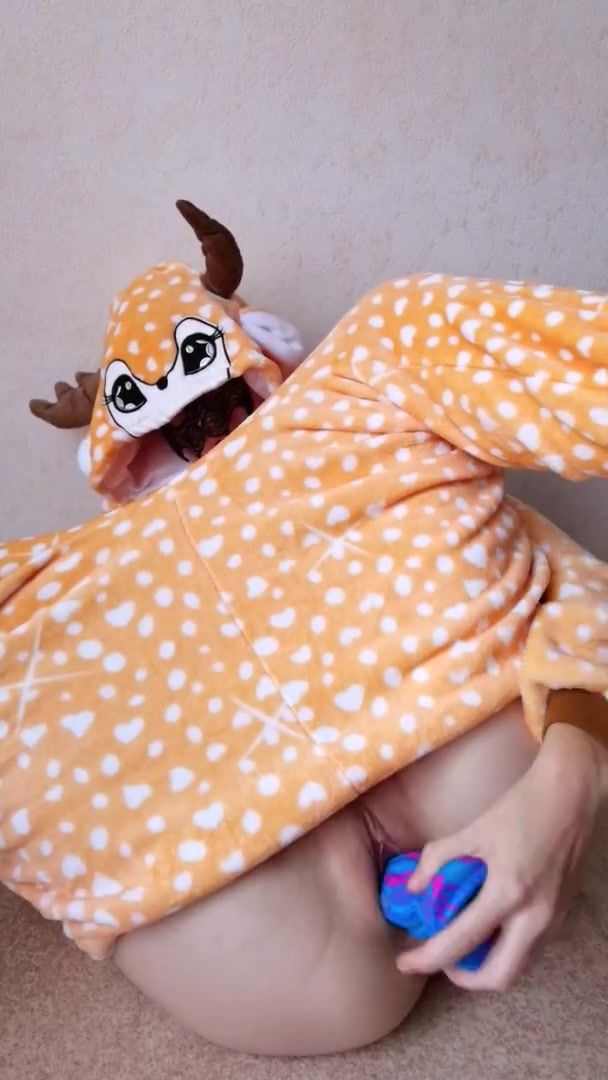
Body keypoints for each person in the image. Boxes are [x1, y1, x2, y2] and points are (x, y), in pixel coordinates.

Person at [1, 270, 607, 1056]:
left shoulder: (363, 390)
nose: (198, 422)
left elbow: (570, 588)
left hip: (376, 889)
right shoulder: (45, 577)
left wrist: (569, 784)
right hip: (273, 929)